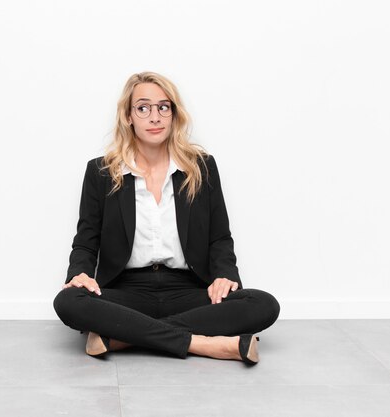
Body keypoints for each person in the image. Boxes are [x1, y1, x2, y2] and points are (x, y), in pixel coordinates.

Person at [53, 71, 280, 364]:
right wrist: (78, 274)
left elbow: (220, 238)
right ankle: (208, 344)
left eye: (164, 107)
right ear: (128, 116)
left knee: (262, 304)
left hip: (187, 290)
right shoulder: (101, 173)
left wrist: (225, 275)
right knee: (69, 301)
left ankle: (120, 337)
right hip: (125, 292)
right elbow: (86, 241)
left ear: (173, 115)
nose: (155, 117)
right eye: (143, 108)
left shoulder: (202, 168)